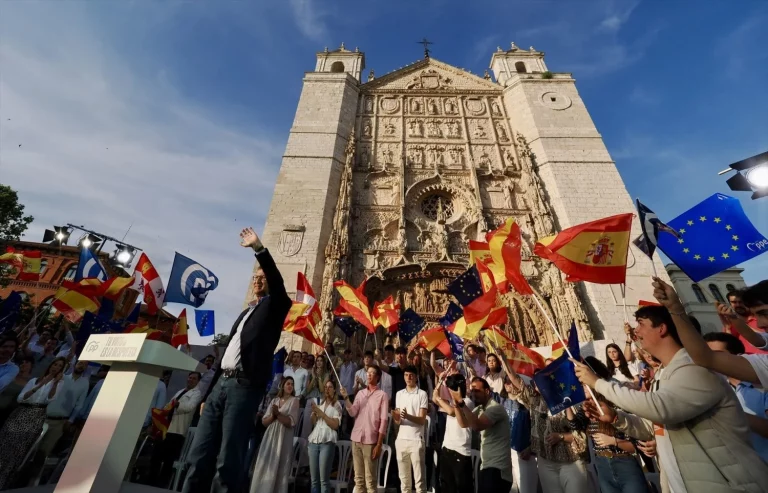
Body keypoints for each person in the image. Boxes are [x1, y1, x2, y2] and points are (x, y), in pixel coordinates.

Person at [572, 283, 768, 493]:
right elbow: (654, 427)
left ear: (662, 328)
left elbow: (661, 408)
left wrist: (598, 383)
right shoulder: (663, 375)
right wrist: (616, 418)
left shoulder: (694, 368)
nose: (635, 331)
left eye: (640, 324)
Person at [182, 227, 292, 493]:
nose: (257, 280)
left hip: (244, 386)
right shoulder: (246, 313)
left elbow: (277, 282)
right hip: (221, 386)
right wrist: (208, 394)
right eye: (255, 277)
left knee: (228, 458)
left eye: (262, 277)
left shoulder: (276, 306)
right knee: (199, 454)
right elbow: (226, 358)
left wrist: (259, 249)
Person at [567, 357, 648, 493]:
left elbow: (638, 444)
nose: (582, 386)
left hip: (625, 463)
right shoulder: (588, 406)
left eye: (583, 382)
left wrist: (614, 441)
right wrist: (566, 403)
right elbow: (575, 425)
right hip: (603, 465)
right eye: (579, 383)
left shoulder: (614, 403)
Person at [505, 367, 590, 493]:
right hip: (546, 462)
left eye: (541, 380)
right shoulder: (534, 400)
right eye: (536, 381)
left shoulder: (567, 400)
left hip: (571, 462)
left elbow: (581, 435)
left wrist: (560, 436)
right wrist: (503, 359)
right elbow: (517, 382)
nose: (536, 384)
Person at [0, 357, 66, 489]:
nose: (56, 367)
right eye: (55, 364)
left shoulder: (58, 384)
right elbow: (21, 398)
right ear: (51, 365)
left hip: (36, 416)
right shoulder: (34, 380)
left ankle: (3, 481)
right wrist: (40, 385)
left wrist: (53, 384)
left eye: (60, 366)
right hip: (21, 413)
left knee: (18, 450)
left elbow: (50, 399)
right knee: (4, 443)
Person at [704, 331, 768, 463]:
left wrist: (731, 411)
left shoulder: (762, 386)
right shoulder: (713, 391)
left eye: (717, 355)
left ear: (737, 357)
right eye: (706, 355)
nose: (710, 361)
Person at [29, 359, 90, 482]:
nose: (81, 365)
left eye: (85, 364)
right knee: (29, 448)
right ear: (74, 364)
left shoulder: (85, 383)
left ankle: (30, 481)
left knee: (43, 453)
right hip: (43, 416)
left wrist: (71, 420)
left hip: (60, 422)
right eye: (80, 363)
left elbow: (80, 404)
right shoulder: (62, 377)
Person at [448, 377, 513, 491]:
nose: (474, 394)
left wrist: (462, 404)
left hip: (498, 470)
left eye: (477, 391)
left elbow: (477, 426)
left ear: (487, 391)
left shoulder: (495, 408)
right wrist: (456, 405)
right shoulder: (480, 409)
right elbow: (463, 423)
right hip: (487, 467)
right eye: (472, 391)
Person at [149, 372, 203, 487]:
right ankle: (151, 482)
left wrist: (177, 404)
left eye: (194, 379)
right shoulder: (180, 391)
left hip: (177, 431)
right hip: (167, 428)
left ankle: (162, 485)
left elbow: (189, 407)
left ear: (198, 382)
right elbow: (169, 404)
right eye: (189, 377)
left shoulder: (197, 394)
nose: (190, 380)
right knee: (156, 455)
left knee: (169, 460)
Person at [341, 365, 388, 493]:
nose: (369, 375)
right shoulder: (360, 393)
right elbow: (352, 412)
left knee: (370, 481)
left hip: (371, 441)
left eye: (372, 373)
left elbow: (384, 421)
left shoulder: (382, 395)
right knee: (358, 479)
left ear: (377, 377)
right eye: (368, 372)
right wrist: (346, 397)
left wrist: (379, 444)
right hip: (356, 438)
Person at [250, 376, 300, 493]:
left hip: (284, 436)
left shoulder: (294, 401)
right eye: (288, 383)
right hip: (271, 435)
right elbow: (264, 421)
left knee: (281, 465)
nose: (290, 386)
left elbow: (290, 422)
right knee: (266, 463)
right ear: (282, 385)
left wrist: (277, 414)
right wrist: (273, 415)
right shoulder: (274, 401)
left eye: (292, 384)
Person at [432, 373, 474, 493]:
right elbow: (434, 398)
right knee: (446, 487)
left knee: (462, 488)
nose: (449, 390)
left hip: (461, 452)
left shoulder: (467, 402)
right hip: (447, 449)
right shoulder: (451, 401)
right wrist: (440, 381)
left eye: (451, 388)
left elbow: (451, 412)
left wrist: (439, 398)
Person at [392, 365, 428, 493]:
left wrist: (407, 416)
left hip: (416, 440)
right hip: (401, 440)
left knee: (419, 482)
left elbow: (422, 420)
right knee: (404, 482)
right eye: (406, 375)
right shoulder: (399, 394)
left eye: (411, 375)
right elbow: (398, 420)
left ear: (416, 377)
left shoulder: (422, 394)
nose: (409, 377)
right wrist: (396, 417)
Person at [307, 379, 342, 493]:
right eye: (326, 387)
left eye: (330, 387)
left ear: (334, 390)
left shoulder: (337, 405)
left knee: (324, 480)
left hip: (327, 442)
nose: (327, 389)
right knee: (314, 480)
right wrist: (314, 413)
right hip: (314, 441)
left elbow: (335, 425)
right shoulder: (320, 403)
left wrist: (322, 414)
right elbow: (313, 422)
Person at [724, 289, 768, 355]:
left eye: (740, 302)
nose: (738, 305)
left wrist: (738, 322)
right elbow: (730, 345)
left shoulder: (761, 319)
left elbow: (764, 339)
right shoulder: (731, 324)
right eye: (734, 302)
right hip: (749, 361)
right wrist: (727, 328)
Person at [0, 354, 32, 426]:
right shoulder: (10, 375)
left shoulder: (30, 382)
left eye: (26, 362)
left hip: (10, 414)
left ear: (31, 366)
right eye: (22, 362)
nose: (23, 364)